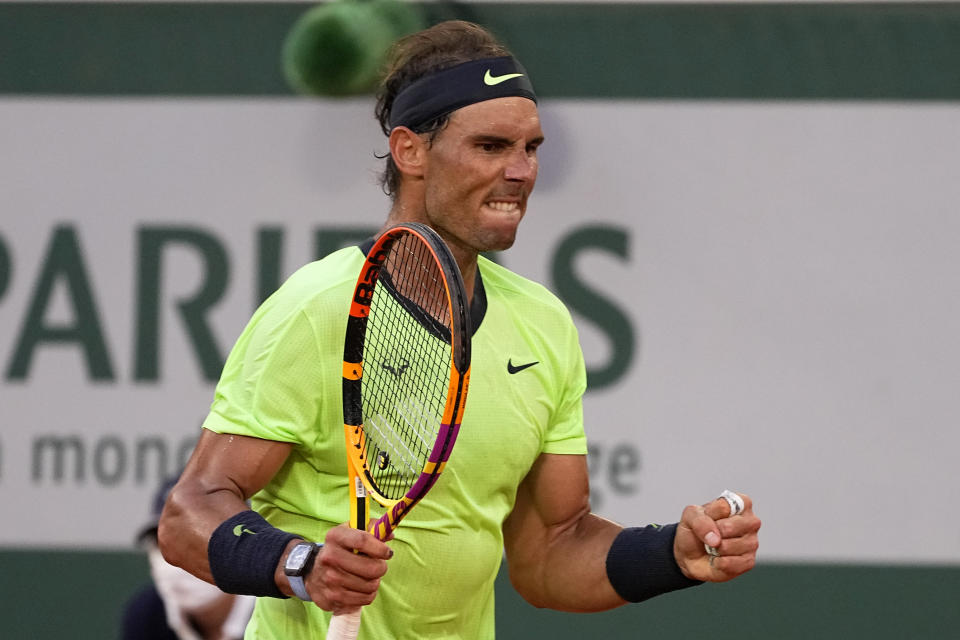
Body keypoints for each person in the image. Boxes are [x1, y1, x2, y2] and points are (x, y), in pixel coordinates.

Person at [158, 20, 761, 639]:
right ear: (409, 151)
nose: (523, 172)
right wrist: (299, 565)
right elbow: (189, 513)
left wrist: (673, 557)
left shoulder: (543, 324)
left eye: (531, 148)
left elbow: (551, 552)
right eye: (492, 146)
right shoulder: (317, 309)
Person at [122, 476, 255, 640]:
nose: (176, 559)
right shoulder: (147, 614)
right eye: (162, 543)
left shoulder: (276, 610)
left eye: (194, 540)